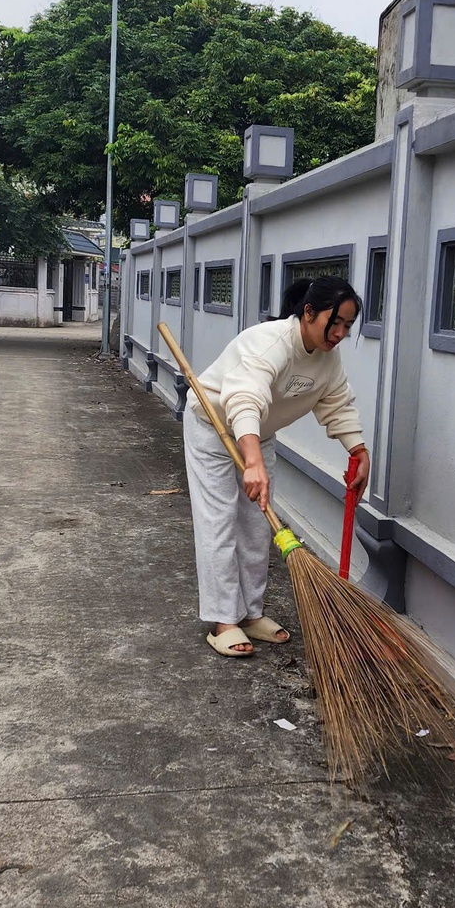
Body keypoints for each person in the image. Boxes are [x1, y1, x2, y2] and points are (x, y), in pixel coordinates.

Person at [183, 275, 370, 656]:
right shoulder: (269, 342)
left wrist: (359, 451)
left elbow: (336, 403)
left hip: (260, 435)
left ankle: (251, 614)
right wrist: (252, 462)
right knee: (219, 522)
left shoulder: (327, 360)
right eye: (334, 322)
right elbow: (245, 398)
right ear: (308, 312)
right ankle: (224, 621)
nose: (339, 333)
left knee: (255, 527)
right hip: (213, 427)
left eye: (347, 326)